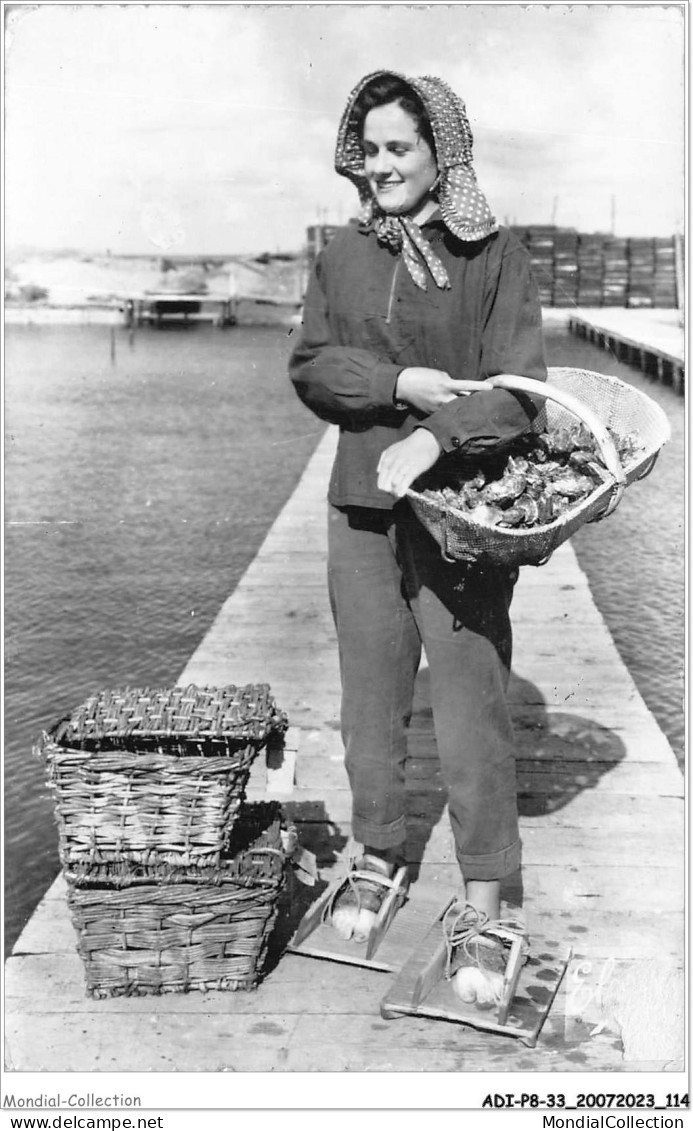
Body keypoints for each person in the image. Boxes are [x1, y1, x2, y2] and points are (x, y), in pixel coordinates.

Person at [289, 70, 547, 1002]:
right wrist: (396, 390)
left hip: (461, 515)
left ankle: (489, 894)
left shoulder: (494, 252)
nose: (383, 164)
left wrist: (438, 433)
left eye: (402, 147)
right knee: (369, 698)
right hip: (359, 506)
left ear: (443, 153)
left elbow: (520, 390)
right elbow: (314, 366)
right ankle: (379, 850)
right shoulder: (342, 253)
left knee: (471, 698)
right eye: (372, 148)